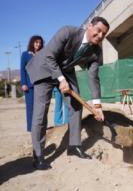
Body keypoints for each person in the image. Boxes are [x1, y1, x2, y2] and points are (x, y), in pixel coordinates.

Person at [26, 16, 109, 170]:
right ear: (90, 26)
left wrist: (97, 105)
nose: (100, 36)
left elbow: (93, 77)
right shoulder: (68, 32)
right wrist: (60, 79)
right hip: (45, 68)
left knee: (76, 105)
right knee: (40, 113)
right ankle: (38, 156)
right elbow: (49, 56)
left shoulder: (96, 51)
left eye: (104, 34)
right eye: (98, 31)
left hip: (66, 71)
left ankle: (74, 146)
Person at [20, 35, 44, 132]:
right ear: (32, 43)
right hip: (29, 86)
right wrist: (23, 83)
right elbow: (22, 70)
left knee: (40, 108)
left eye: (40, 42)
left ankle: (40, 126)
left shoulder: (42, 54)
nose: (38, 44)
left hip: (41, 85)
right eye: (36, 42)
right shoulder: (25, 54)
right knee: (30, 107)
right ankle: (31, 128)